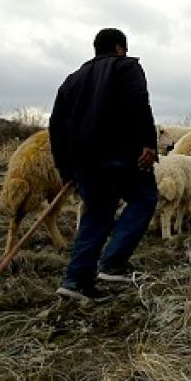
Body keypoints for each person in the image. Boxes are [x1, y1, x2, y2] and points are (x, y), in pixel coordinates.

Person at [49, 27, 159, 303]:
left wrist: (66, 170)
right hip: (120, 153)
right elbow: (138, 103)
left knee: (97, 214)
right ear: (120, 48)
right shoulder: (127, 67)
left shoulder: (71, 80)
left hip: (84, 162)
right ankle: (113, 263)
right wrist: (148, 143)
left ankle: (76, 281)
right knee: (144, 198)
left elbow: (56, 127)